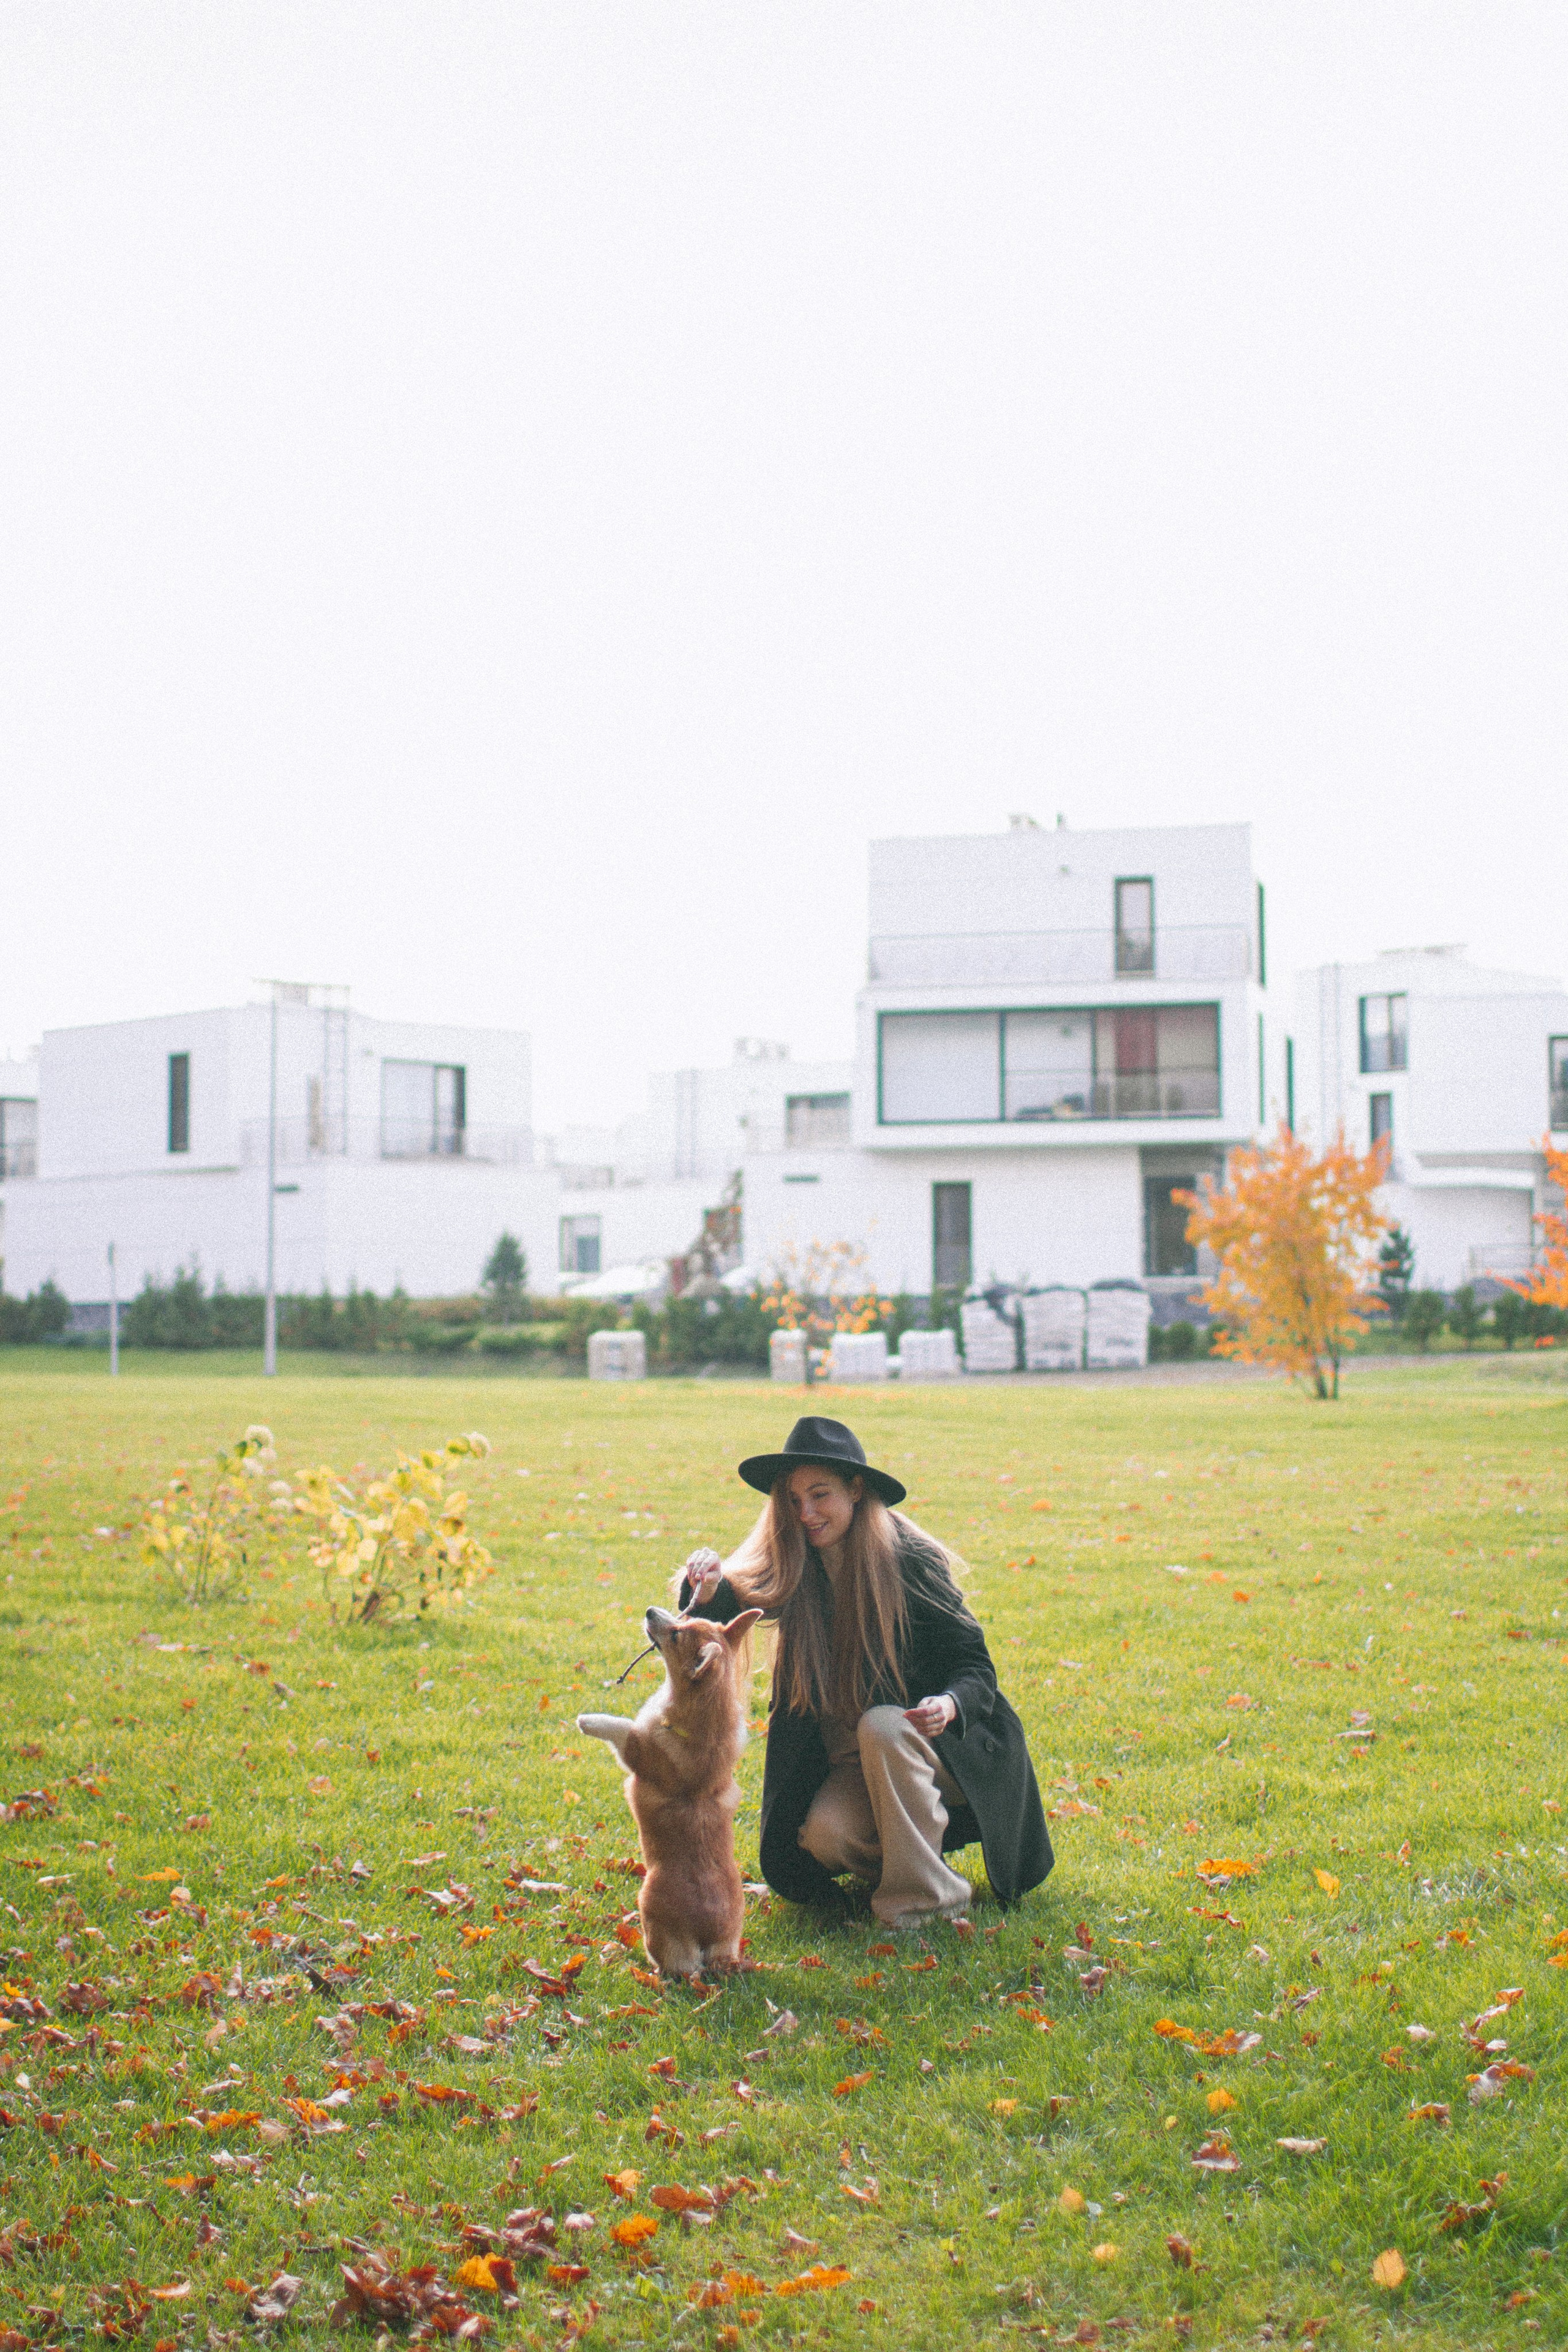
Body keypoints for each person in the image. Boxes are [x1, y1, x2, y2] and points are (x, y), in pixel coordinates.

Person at [676, 1415, 1052, 1929]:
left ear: (856, 1489)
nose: (806, 1513)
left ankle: (928, 1905)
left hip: (938, 1748)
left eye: (820, 1494)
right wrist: (708, 1589)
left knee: (883, 1724)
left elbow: (974, 1665)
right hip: (859, 1763)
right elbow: (723, 1618)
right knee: (826, 1837)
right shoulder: (795, 1563)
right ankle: (912, 1860)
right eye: (792, 1499)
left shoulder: (909, 1559)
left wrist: (949, 1704)